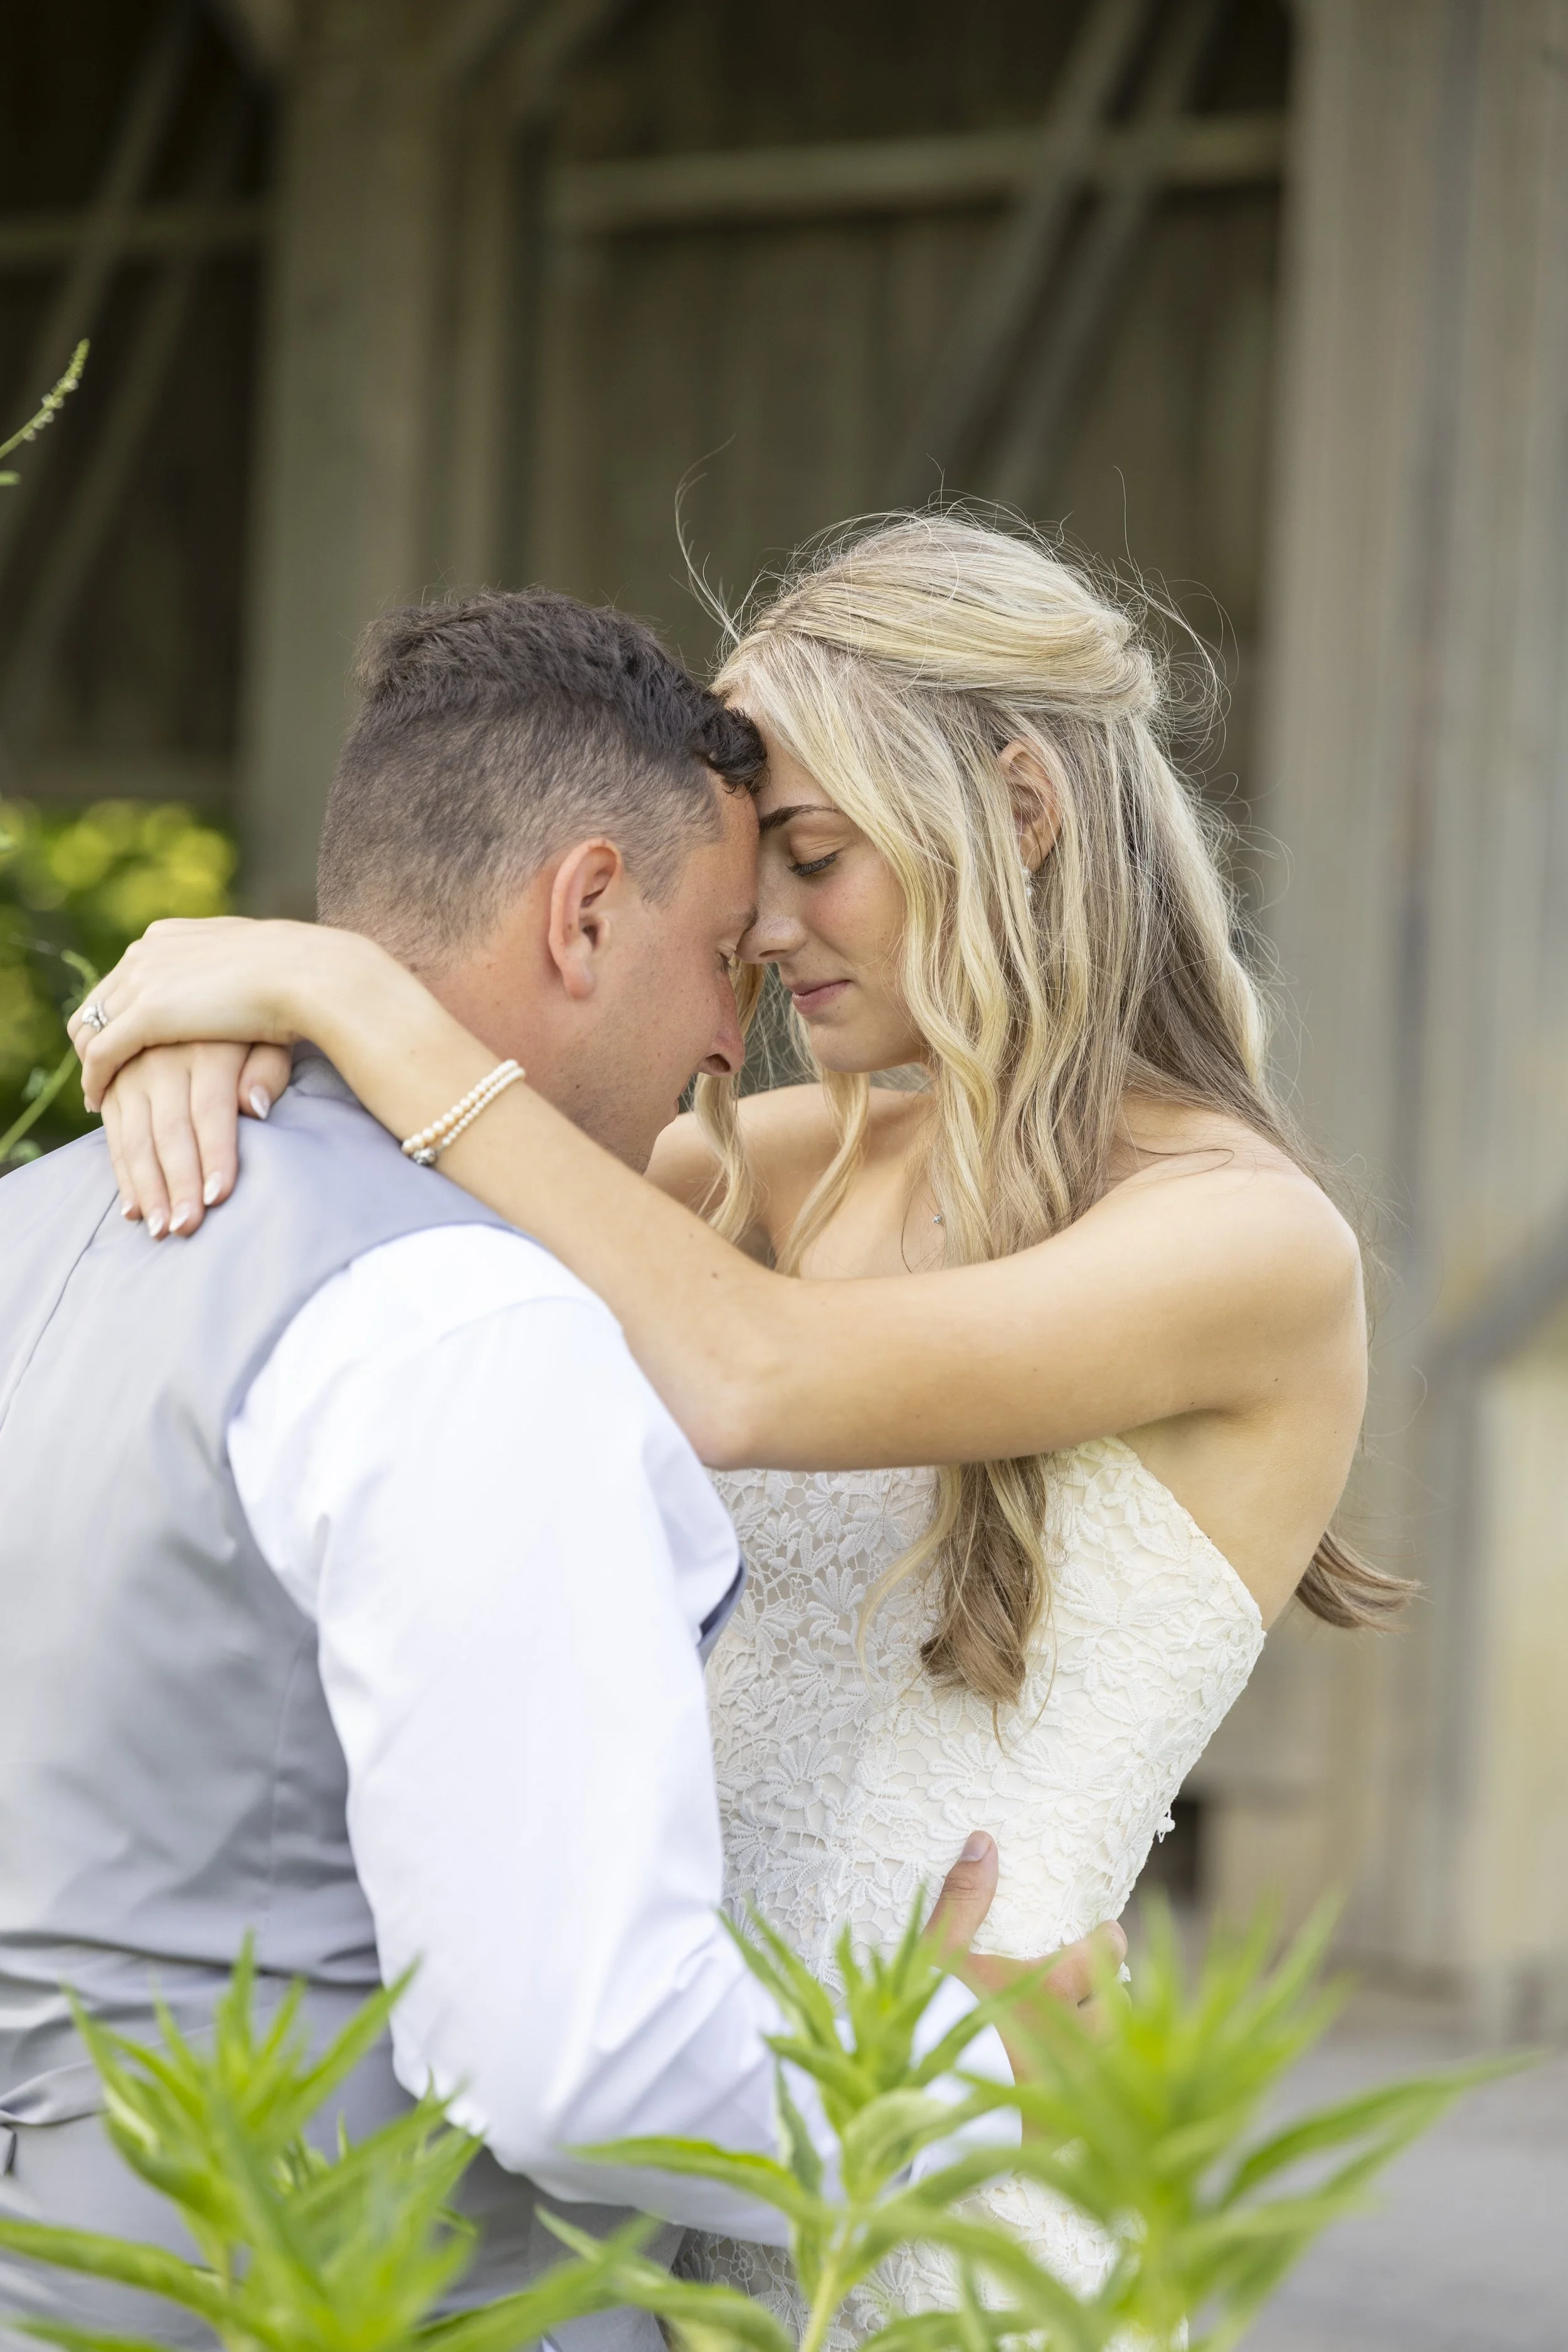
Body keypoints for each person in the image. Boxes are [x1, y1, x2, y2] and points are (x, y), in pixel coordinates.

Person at [76, 516, 1404, 2325]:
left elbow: (748, 1374)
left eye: (811, 855)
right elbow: (423, 1210)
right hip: (651, 2153)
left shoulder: (1238, 1239)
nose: (766, 937)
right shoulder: (773, 1166)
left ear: (1013, 807)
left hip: (943, 2164)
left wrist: (338, 989)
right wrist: (242, 1049)